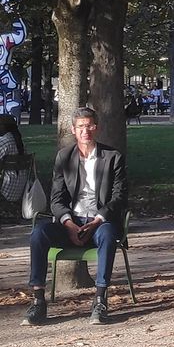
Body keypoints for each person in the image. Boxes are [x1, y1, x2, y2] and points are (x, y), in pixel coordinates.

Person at [22, 106, 128, 326]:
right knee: (38, 233)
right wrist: (69, 224)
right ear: (73, 130)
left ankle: (100, 300)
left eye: (89, 125)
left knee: (108, 235)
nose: (85, 130)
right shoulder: (64, 157)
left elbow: (118, 198)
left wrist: (97, 220)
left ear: (95, 128)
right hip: (72, 221)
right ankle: (38, 301)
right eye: (80, 126)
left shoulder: (112, 157)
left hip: (100, 222)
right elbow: (56, 199)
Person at [0, 114, 28, 205]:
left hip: (5, 189)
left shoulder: (4, 141)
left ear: (2, 126)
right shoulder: (19, 142)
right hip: (20, 188)